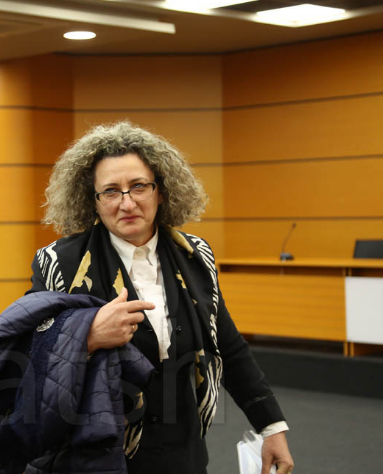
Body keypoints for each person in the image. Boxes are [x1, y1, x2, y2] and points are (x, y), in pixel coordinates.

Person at [26, 121, 294, 474]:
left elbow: (227, 346)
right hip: (96, 453)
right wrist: (86, 338)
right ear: (93, 202)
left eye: (139, 186)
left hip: (182, 451)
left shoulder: (195, 255)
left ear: (161, 191)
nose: (127, 203)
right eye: (111, 191)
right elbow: (31, 350)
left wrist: (270, 426)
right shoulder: (60, 262)